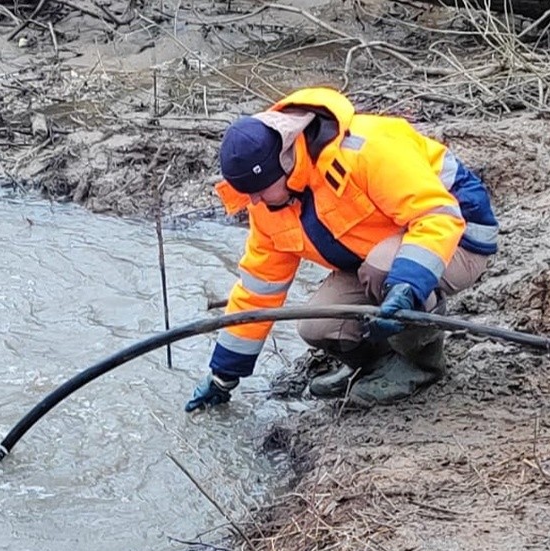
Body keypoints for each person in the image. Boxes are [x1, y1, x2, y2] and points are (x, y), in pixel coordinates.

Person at [185, 86, 498, 412]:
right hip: (379, 252)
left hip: (459, 235)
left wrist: (407, 284)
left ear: (286, 159)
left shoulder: (365, 149)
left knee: (385, 269)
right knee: (317, 326)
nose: (253, 202)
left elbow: (438, 216)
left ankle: (421, 366)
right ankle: (377, 364)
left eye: (260, 191)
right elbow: (257, 289)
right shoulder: (269, 202)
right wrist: (223, 375)